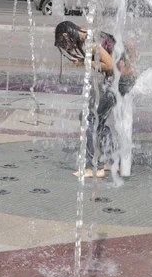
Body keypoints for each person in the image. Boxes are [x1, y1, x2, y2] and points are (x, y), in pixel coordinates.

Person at [55, 21, 136, 178]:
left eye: (64, 44)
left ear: (66, 36)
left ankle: (94, 166)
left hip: (119, 82)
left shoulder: (89, 43)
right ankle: (108, 160)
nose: (67, 48)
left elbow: (110, 66)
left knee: (88, 117)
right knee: (97, 119)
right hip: (121, 80)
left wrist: (84, 62)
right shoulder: (86, 35)